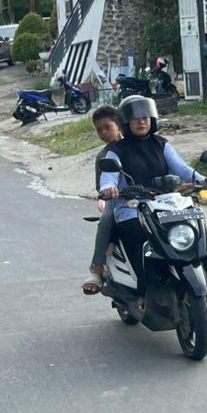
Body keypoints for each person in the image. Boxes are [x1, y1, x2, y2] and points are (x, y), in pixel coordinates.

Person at [99, 96, 207, 285]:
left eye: (145, 118)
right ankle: (143, 288)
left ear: (152, 120)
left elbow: (183, 170)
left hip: (164, 204)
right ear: (126, 122)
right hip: (132, 207)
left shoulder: (161, 144)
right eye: (136, 119)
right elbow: (109, 176)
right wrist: (109, 188)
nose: (142, 122)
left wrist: (204, 180)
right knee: (135, 233)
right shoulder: (117, 150)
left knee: (194, 226)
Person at [81, 106, 124, 294]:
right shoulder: (103, 156)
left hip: (148, 197)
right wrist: (108, 192)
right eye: (99, 129)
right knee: (106, 220)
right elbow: (101, 187)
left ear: (119, 125)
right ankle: (98, 268)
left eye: (107, 127)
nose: (103, 133)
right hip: (119, 201)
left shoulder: (137, 145)